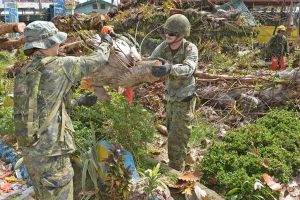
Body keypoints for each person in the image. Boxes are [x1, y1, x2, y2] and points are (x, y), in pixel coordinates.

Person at [13, 21, 112, 199]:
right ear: (48, 43)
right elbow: (98, 60)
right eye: (56, 40)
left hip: (32, 153)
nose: (59, 43)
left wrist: (78, 101)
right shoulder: (60, 65)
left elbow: (43, 109)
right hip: (53, 155)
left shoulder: (24, 72)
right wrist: (106, 40)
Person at [149, 14, 198, 171]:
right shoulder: (164, 46)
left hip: (185, 98)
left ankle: (176, 172)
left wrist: (170, 68)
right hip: (170, 97)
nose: (167, 36)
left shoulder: (189, 48)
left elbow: (189, 68)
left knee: (177, 137)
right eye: (166, 32)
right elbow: (151, 60)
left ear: (182, 34)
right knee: (174, 132)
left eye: (172, 33)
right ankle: (185, 156)